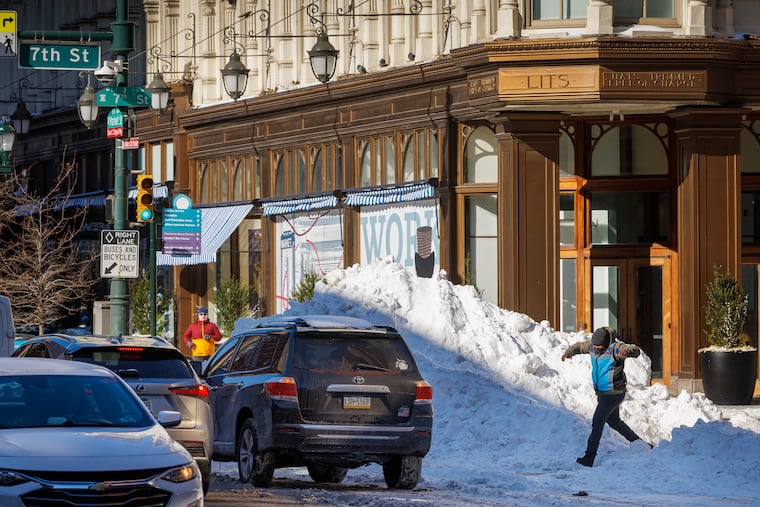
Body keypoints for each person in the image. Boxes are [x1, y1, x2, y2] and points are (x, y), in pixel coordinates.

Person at [561, 326, 649, 467]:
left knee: (597, 422)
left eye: (599, 346)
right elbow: (579, 347)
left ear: (607, 343)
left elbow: (635, 350)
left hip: (613, 393)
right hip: (603, 394)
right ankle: (641, 445)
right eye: (594, 345)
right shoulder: (592, 346)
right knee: (614, 421)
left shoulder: (615, 347)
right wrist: (569, 352)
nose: (596, 348)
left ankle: (589, 457)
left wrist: (625, 351)